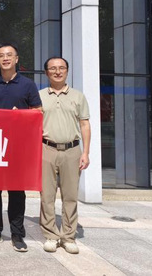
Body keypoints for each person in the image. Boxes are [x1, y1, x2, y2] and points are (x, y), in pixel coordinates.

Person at [0, 43, 42, 251]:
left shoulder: (28, 85)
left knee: (17, 190)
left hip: (18, 145)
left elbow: (38, 111)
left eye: (9, 55)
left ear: (16, 59)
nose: (5, 58)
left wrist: (21, 115)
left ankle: (17, 234)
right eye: (1, 55)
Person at [38, 57, 91, 254]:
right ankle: (51, 235)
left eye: (61, 68)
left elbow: (84, 124)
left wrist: (86, 152)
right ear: (46, 73)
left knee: (70, 196)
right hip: (46, 149)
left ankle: (68, 236)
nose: (57, 71)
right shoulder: (39, 96)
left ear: (67, 71)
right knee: (47, 195)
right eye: (53, 68)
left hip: (72, 150)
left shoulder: (78, 96)